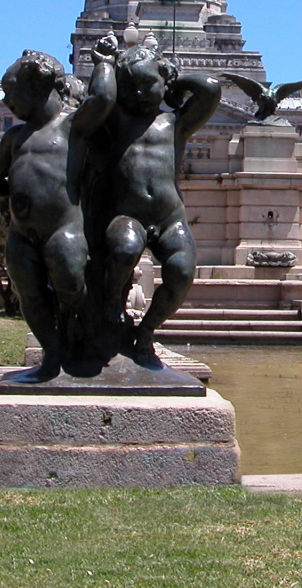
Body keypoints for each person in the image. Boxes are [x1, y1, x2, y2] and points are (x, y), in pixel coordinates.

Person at [0, 44, 116, 379]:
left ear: (39, 87)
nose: (7, 102)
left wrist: (105, 64)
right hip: (20, 234)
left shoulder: (71, 126)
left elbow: (103, 101)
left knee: (70, 282)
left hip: (62, 229)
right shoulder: (14, 136)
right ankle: (51, 354)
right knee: (30, 297)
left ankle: (81, 333)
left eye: (11, 93)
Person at [91, 45, 221, 364]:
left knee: (182, 271)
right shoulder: (114, 120)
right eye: (130, 84)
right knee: (124, 249)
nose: (137, 91)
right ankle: (110, 305)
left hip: (168, 219)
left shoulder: (175, 123)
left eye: (146, 83)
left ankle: (148, 329)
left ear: (164, 83)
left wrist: (173, 79)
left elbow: (211, 88)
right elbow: (101, 98)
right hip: (126, 214)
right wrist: (106, 65)